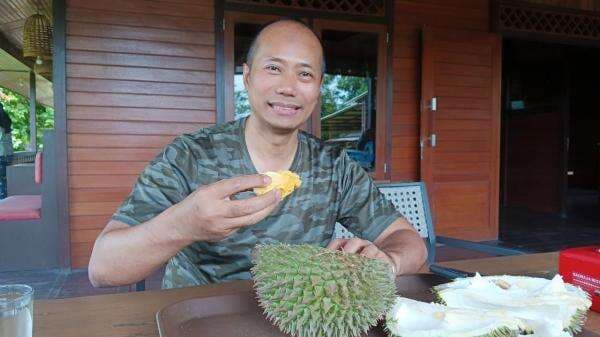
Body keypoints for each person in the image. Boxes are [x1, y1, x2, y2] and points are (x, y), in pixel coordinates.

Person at [88, 19, 427, 289]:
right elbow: (103, 268)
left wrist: (389, 262)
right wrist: (183, 224)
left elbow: (408, 241)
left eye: (305, 74)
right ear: (247, 77)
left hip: (298, 318)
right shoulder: (190, 155)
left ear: (318, 88)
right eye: (274, 68)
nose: (288, 87)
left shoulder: (335, 166)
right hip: (200, 319)